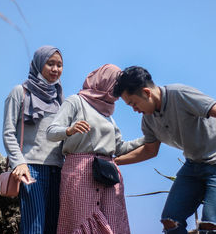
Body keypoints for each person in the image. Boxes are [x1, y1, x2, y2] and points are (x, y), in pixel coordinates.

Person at [113, 66, 216, 234]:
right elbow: (149, 150)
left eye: (133, 103)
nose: (134, 109)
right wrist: (115, 162)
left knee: (210, 226)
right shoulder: (148, 120)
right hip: (194, 165)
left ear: (147, 92)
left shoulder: (179, 94)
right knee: (171, 220)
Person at [46, 64, 144, 234]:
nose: (118, 92)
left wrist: (148, 138)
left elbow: (119, 148)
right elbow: (51, 132)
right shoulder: (75, 101)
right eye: (116, 85)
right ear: (104, 81)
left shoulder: (108, 113)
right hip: (80, 173)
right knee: (80, 224)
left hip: (107, 176)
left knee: (112, 222)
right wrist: (69, 130)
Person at [2, 45, 64, 234]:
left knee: (53, 228)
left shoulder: (59, 98)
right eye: (50, 63)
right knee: (34, 228)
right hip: (32, 169)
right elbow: (8, 132)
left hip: (58, 170)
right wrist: (19, 163)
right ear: (38, 64)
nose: (55, 69)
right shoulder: (20, 92)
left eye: (60, 65)